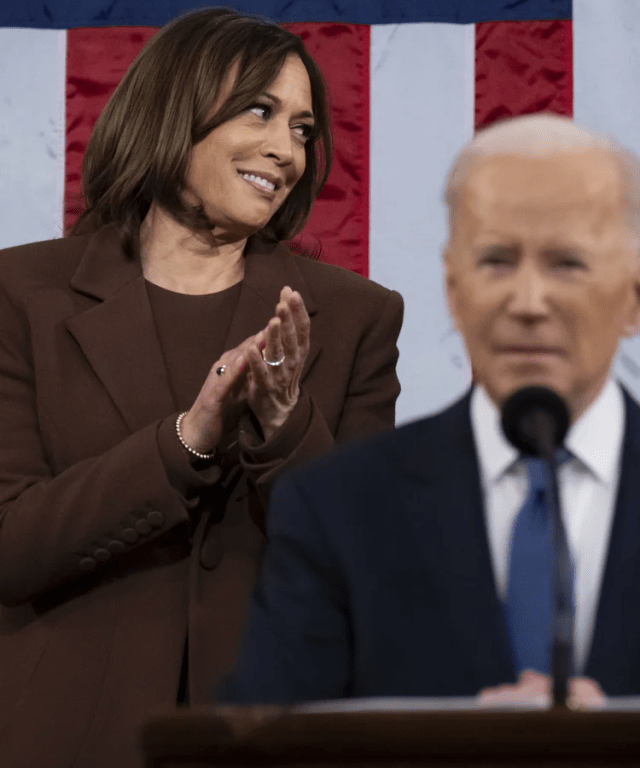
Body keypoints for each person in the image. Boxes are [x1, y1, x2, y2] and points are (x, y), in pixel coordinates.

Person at [220, 113, 640, 706]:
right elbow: (267, 747)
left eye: (567, 264)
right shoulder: (339, 507)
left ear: (637, 296)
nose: (528, 302)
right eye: (497, 262)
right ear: (454, 290)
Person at [0, 9, 402, 768]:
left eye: (303, 129)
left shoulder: (356, 316)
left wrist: (284, 426)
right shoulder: (21, 294)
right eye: (260, 111)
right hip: (67, 737)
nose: (286, 150)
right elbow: (12, 547)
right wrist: (186, 440)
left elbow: (364, 567)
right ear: (173, 108)